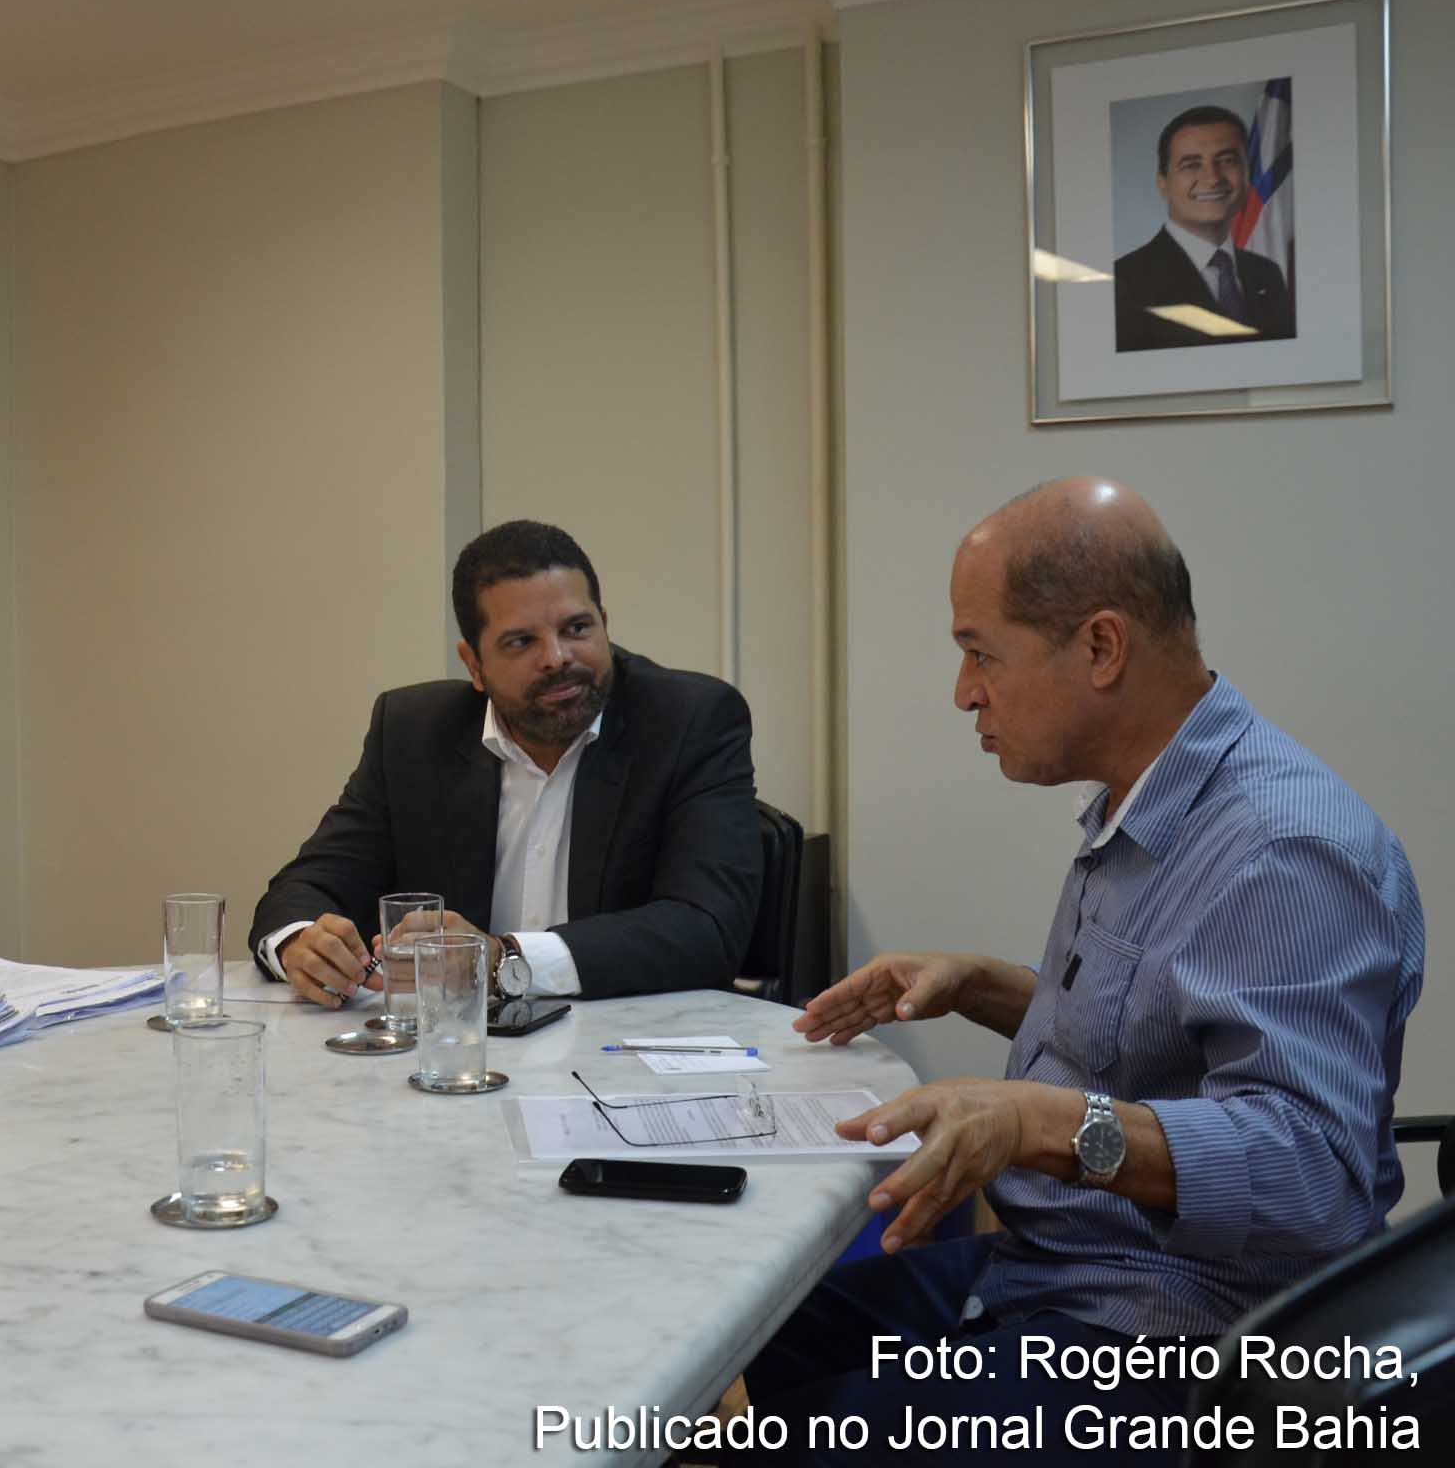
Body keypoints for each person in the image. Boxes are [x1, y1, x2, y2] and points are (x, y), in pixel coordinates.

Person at [743, 479, 1423, 1461]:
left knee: (818, 1433)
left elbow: (1308, 1167)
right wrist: (982, 981)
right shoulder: (1149, 805)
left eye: (981, 653)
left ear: (1101, 648)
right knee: (778, 1333)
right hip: (1060, 1263)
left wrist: (1040, 1121)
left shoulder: (1283, 851)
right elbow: (1152, 1037)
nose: (964, 692)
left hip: (1179, 1333)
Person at [251, 519, 761, 1005]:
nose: (557, 657)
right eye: (522, 642)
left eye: (577, 628)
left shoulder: (689, 720)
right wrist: (301, 943)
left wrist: (502, 958)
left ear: (605, 626)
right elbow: (308, 885)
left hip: (622, 1048)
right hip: (459, 1047)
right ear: (473, 664)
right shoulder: (413, 732)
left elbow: (708, 928)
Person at [1112, 105, 1293, 352]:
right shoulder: (1124, 283)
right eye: (1191, 164)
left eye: (1227, 160)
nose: (1212, 178)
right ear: (1162, 183)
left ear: (1247, 174)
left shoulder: (1267, 274)